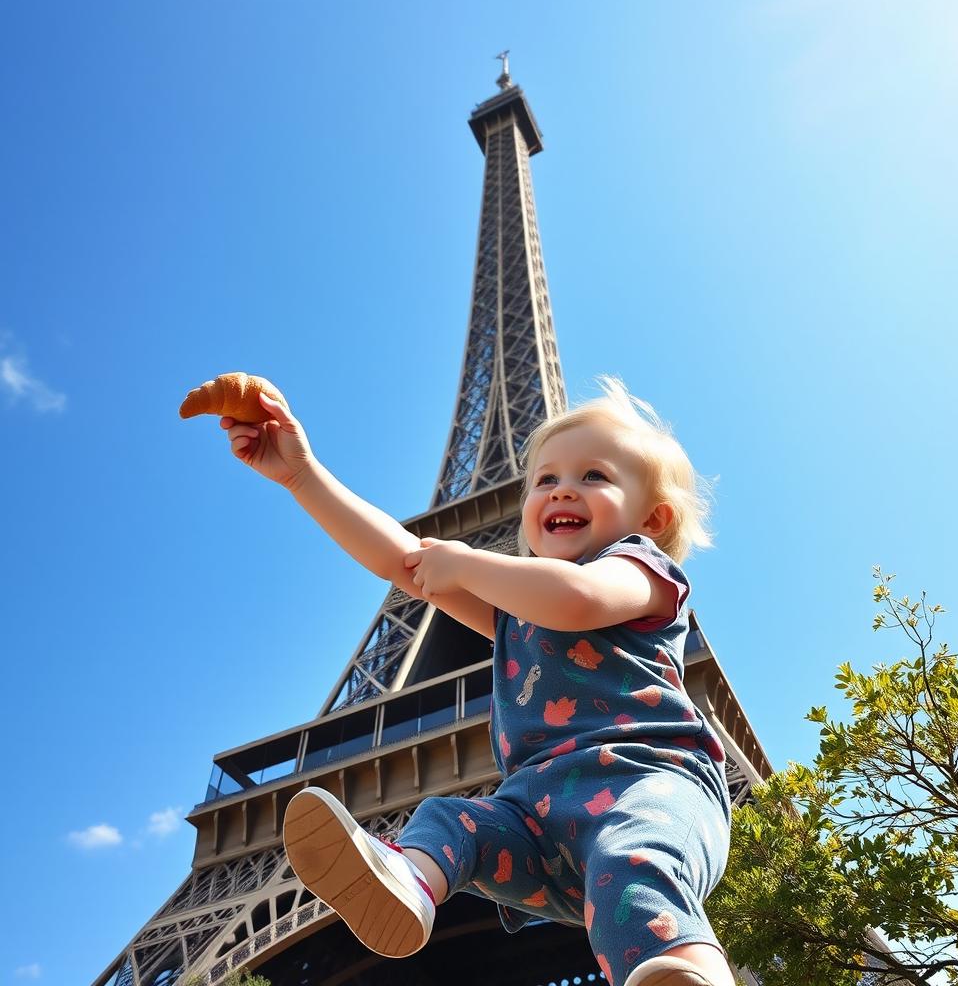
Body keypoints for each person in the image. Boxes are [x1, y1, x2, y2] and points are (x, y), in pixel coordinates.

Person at [220, 377, 733, 986]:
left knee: (635, 867)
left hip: (644, 786)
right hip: (536, 820)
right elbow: (402, 563)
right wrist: (301, 475)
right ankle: (410, 880)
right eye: (544, 480)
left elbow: (577, 601)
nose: (563, 488)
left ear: (652, 518)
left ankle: (684, 973)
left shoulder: (642, 573)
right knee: (448, 818)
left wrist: (462, 559)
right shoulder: (515, 611)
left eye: (593, 476)